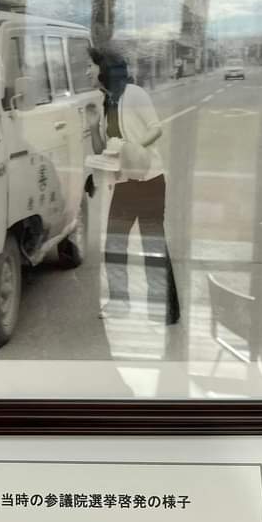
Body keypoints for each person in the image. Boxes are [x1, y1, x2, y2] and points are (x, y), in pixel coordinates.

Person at [86, 47, 180, 324]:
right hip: (124, 183)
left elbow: (156, 128)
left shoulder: (135, 94)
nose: (88, 71)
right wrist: (93, 126)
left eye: (91, 66)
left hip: (149, 180)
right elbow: (101, 149)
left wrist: (133, 149)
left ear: (103, 68)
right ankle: (119, 303)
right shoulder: (106, 102)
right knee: (114, 245)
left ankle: (163, 308)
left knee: (153, 246)